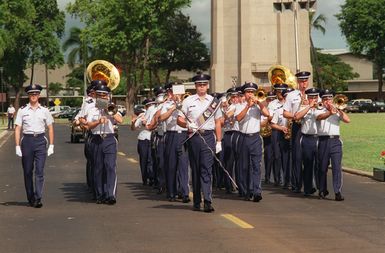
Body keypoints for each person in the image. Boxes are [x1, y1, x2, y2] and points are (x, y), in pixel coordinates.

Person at [177, 73, 222, 213]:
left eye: (204, 84)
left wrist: (219, 141)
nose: (201, 87)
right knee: (196, 169)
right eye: (199, 84)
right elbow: (179, 119)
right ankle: (197, 200)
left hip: (208, 136)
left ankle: (207, 200)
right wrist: (188, 126)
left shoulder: (214, 102)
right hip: (194, 138)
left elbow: (218, 122)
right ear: (195, 86)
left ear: (208, 86)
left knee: (206, 169)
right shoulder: (188, 101)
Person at [14, 84, 54, 208]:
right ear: (28, 95)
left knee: (39, 171)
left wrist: (51, 144)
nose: (34, 96)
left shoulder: (45, 110)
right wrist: (17, 146)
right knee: (27, 171)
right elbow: (17, 128)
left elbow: (50, 128)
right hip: (27, 141)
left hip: (40, 140)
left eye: (36, 94)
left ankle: (38, 197)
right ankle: (30, 197)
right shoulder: (22, 110)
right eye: (31, 94)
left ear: (39, 95)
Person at [84, 81, 123, 205]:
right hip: (96, 138)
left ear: (108, 96)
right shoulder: (91, 109)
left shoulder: (112, 108)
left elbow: (120, 120)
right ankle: (100, 194)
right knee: (98, 168)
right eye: (99, 95)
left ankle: (110, 194)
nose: (102, 97)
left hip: (109, 139)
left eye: (104, 95)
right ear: (96, 96)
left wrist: (109, 110)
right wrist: (98, 122)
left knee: (110, 166)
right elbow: (89, 125)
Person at [235, 82, 270, 202]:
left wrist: (259, 103)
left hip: (255, 137)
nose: (250, 94)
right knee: (244, 167)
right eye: (248, 92)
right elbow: (238, 118)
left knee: (256, 165)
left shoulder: (258, 105)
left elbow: (267, 114)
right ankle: (247, 191)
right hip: (243, 138)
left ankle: (257, 191)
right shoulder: (240, 105)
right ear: (244, 94)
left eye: (252, 92)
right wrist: (247, 107)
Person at [315, 89, 350, 201]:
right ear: (322, 100)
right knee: (322, 167)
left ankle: (337, 191)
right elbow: (319, 118)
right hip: (323, 140)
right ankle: (322, 189)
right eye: (325, 99)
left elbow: (347, 120)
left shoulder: (337, 110)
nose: (328, 101)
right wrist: (330, 112)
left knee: (336, 167)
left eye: (329, 98)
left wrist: (338, 110)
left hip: (335, 141)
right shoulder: (319, 109)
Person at [159, 82, 190, 202]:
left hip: (183, 134)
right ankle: (171, 192)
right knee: (171, 165)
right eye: (173, 91)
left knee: (183, 165)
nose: (175, 94)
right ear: (169, 93)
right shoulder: (166, 104)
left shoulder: (187, 102)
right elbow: (161, 118)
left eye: (178, 91)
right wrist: (173, 108)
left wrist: (181, 104)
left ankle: (184, 192)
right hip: (171, 134)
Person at [283, 71, 311, 193]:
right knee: (297, 157)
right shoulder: (291, 95)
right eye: (301, 81)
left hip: (310, 126)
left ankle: (309, 185)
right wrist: (295, 115)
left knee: (309, 157)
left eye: (305, 81)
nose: (303, 84)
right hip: (297, 127)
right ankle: (296, 184)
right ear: (297, 82)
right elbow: (285, 113)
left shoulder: (313, 94)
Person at [294, 87, 320, 196]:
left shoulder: (321, 107)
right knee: (308, 164)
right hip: (307, 138)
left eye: (315, 97)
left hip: (319, 138)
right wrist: (309, 106)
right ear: (307, 98)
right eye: (311, 97)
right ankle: (308, 188)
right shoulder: (304, 107)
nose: (313, 99)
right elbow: (296, 117)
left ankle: (321, 187)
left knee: (319, 165)